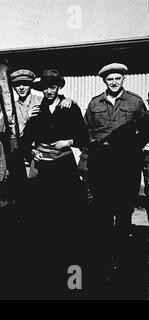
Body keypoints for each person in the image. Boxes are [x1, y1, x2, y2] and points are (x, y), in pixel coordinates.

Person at [21, 69, 89, 297]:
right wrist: (32, 150)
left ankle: (73, 279)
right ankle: (47, 276)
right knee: (44, 220)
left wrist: (67, 141)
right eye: (45, 87)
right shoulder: (37, 110)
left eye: (53, 86)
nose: (49, 90)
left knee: (68, 219)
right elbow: (25, 140)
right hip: (43, 171)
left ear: (59, 87)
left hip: (64, 169)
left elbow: (84, 137)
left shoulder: (70, 107)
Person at [84, 63, 147, 282]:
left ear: (123, 79)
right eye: (110, 79)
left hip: (126, 164)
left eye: (117, 79)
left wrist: (132, 147)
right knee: (102, 210)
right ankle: (103, 258)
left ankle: (123, 259)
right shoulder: (94, 104)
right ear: (104, 81)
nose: (113, 82)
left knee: (123, 210)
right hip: (101, 165)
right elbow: (87, 131)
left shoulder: (135, 101)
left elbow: (146, 129)